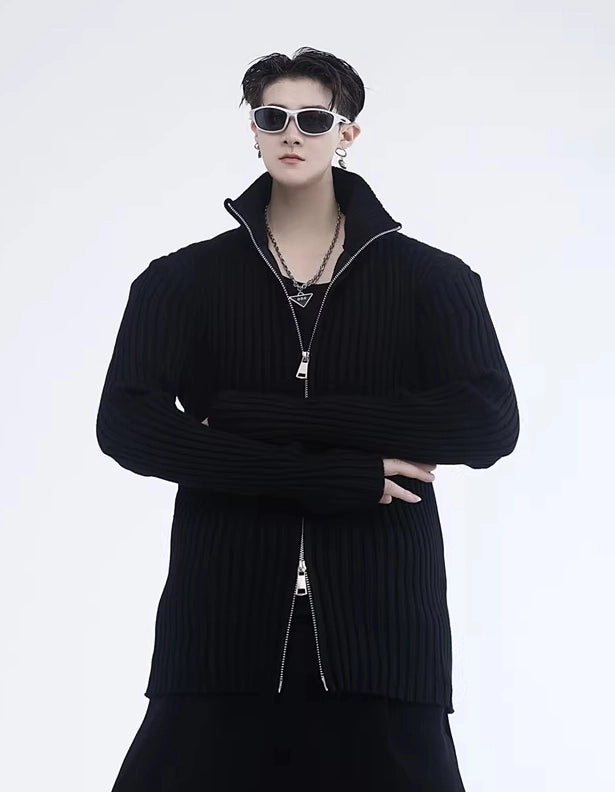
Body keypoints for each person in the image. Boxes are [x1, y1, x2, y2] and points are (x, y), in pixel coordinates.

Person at [98, 46, 519, 791]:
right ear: (253, 132)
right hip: (220, 621)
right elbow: (127, 426)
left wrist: (257, 414)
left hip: (383, 630)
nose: (292, 133)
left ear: (346, 133)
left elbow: (487, 423)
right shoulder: (181, 280)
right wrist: (331, 477)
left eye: (313, 119)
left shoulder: (432, 280)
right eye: (273, 117)